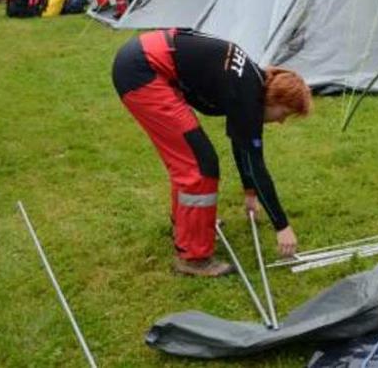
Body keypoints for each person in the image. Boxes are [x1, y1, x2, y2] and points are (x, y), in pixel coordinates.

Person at [112, 29, 312, 276]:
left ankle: (187, 225)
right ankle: (193, 258)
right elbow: (255, 163)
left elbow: (243, 146)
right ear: (273, 99)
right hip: (143, 72)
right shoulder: (246, 94)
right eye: (284, 113)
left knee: (194, 160)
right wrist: (282, 227)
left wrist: (250, 192)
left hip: (145, 61)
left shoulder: (252, 80)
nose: (281, 122)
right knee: (199, 166)